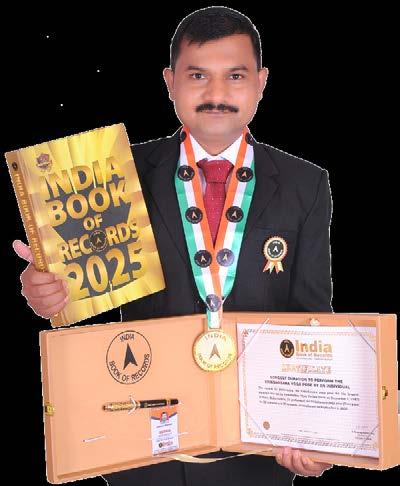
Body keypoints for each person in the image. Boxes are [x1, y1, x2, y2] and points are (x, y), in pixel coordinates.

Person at [13, 6, 334, 486]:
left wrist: (319, 433)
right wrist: (48, 291)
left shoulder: (305, 184)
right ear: (170, 82)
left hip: (258, 452)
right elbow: (76, 292)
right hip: (141, 447)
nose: (216, 94)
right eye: (197, 75)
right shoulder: (117, 174)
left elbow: (314, 320)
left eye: (236, 76)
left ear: (261, 82)